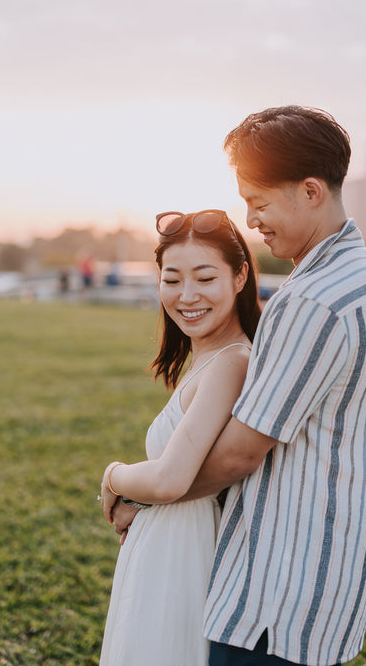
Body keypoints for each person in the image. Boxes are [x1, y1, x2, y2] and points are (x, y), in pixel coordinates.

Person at [110, 105, 366, 666]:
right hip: (314, 571)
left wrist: (126, 487)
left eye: (259, 203)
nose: (253, 220)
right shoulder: (356, 279)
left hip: (279, 585)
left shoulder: (311, 300)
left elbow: (238, 455)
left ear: (310, 191)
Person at [99, 209, 261, 666]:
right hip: (166, 550)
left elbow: (171, 479)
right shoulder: (208, 358)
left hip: (183, 560)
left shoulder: (233, 361)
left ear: (240, 276)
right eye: (172, 280)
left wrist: (114, 478)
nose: (187, 296)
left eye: (205, 278)